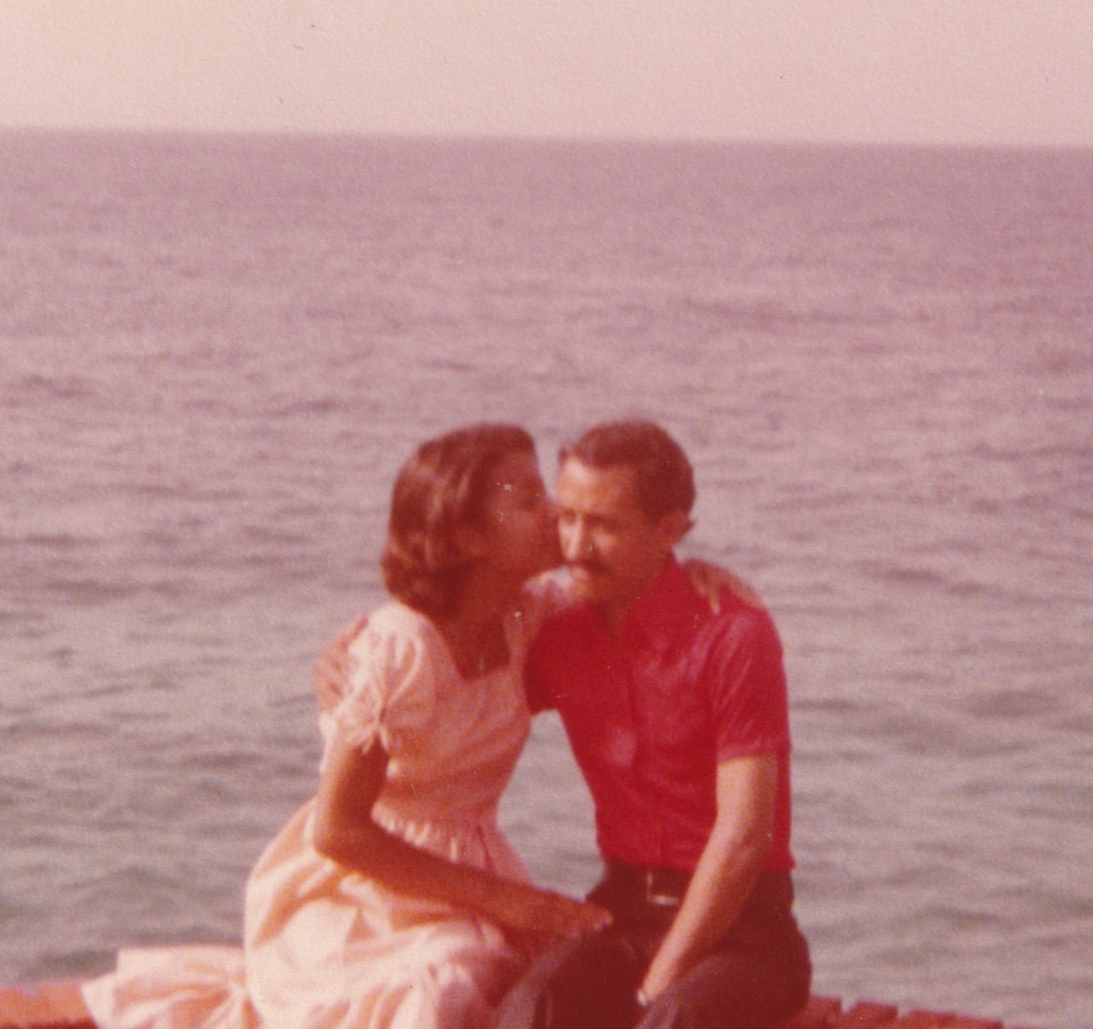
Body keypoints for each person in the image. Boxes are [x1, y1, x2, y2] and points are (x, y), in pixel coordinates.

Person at [83, 424, 611, 1029]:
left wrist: (706, 582)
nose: (557, 514)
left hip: (475, 874)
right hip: (366, 888)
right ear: (468, 537)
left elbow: (635, 595)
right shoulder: (402, 648)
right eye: (528, 501)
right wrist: (513, 902)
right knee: (441, 983)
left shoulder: (530, 612)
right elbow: (337, 831)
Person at [491, 419, 811, 1029]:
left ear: (669, 529)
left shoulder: (732, 633)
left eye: (604, 524)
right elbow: (459, 691)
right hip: (621, 912)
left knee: (673, 1020)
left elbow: (744, 840)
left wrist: (658, 982)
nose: (577, 544)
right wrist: (365, 648)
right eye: (569, 516)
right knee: (528, 1013)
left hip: (745, 932)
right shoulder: (558, 634)